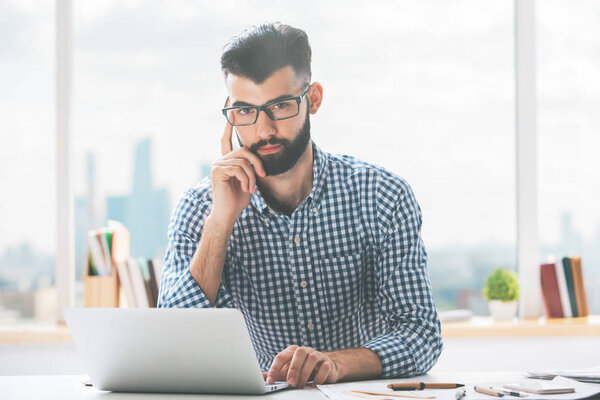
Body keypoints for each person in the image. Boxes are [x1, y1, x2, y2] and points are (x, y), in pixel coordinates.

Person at [158, 22, 443, 388]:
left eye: (280, 106)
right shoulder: (201, 208)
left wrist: (335, 365)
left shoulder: (381, 195)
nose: (263, 130)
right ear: (230, 112)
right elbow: (174, 342)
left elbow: (421, 335)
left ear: (314, 99)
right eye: (246, 111)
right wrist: (221, 221)